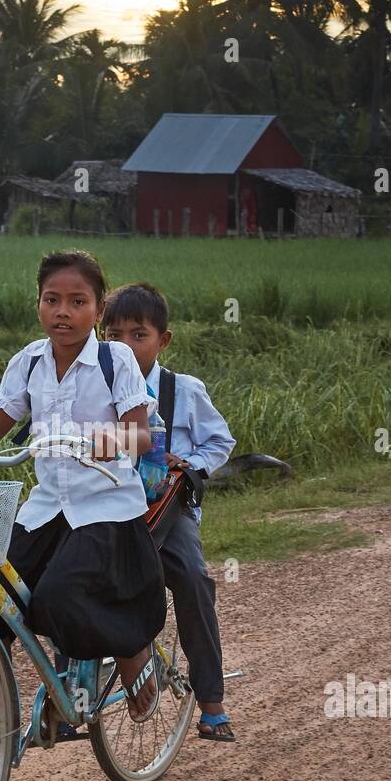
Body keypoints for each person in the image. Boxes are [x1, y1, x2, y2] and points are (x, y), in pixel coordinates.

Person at [0, 250, 167, 757]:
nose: (63, 312)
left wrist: (105, 439)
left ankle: (131, 646)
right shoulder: (28, 361)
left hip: (105, 509)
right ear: (38, 304)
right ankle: (0, 727)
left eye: (78, 301)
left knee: (55, 599)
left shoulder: (114, 360)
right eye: (53, 300)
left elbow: (140, 433)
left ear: (97, 310)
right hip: (46, 508)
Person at [103, 282, 237, 742]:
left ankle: (212, 700)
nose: (124, 346)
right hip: (108, 506)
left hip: (167, 511)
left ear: (164, 340)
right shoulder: (93, 386)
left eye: (138, 335)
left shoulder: (183, 390)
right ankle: (72, 697)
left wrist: (191, 463)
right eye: (113, 335)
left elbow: (220, 442)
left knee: (193, 578)